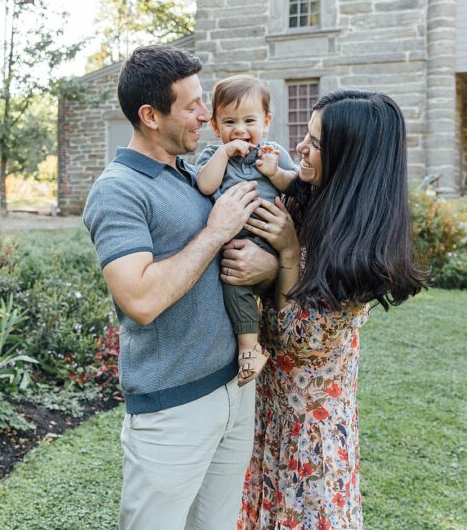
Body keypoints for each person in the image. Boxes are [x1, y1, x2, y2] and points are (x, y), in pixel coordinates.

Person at [82, 45, 279, 530]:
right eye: (192, 106)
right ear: (150, 115)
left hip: (234, 387)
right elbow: (141, 299)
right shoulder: (119, 189)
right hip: (173, 410)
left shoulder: (191, 171)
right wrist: (216, 230)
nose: (204, 115)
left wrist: (269, 262)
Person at [233, 89, 427, 529]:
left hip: (309, 440)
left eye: (316, 143)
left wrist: (285, 253)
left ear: (350, 160)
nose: (300, 147)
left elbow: (295, 339)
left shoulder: (362, 250)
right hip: (271, 416)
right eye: (306, 133)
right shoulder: (318, 202)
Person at [195, 75, 298, 387]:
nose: (239, 129)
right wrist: (224, 154)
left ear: (266, 122)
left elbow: (296, 187)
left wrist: (275, 172)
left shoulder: (272, 152)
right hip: (237, 248)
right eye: (229, 121)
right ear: (215, 127)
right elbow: (205, 184)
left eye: (249, 120)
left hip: (270, 242)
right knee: (233, 284)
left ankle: (275, 336)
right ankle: (249, 351)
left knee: (277, 293)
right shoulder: (214, 156)